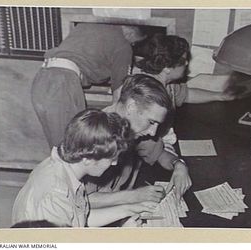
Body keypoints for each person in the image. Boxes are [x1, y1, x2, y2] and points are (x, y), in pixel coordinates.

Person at [12, 109, 156, 228]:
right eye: (111, 159)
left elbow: (80, 220)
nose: (114, 164)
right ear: (87, 158)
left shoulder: (64, 168)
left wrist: (130, 208)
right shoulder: (55, 196)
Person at [31, 23, 146, 149]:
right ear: (130, 33)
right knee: (72, 147)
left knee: (58, 148)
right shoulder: (123, 45)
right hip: (64, 83)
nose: (132, 46)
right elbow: (119, 97)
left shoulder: (85, 26)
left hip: (42, 78)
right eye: (134, 43)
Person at [87, 74, 192, 209]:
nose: (153, 132)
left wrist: (179, 165)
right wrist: (133, 196)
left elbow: (159, 154)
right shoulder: (95, 137)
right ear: (131, 106)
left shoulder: (133, 129)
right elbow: (81, 201)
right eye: (151, 122)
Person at [132, 33, 236, 108]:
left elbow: (186, 95)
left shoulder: (168, 85)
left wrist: (220, 96)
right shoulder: (148, 93)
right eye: (182, 61)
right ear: (167, 68)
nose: (186, 63)